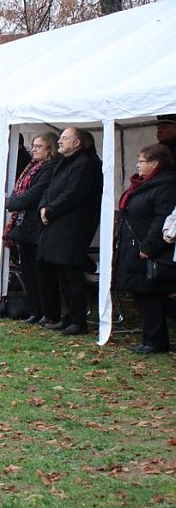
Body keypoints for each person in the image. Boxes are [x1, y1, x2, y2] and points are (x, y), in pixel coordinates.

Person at [37, 127, 103, 336]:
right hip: (57, 223)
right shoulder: (64, 162)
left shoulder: (84, 164)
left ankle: (78, 320)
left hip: (73, 225)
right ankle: (69, 316)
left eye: (65, 138)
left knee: (72, 273)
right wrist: (44, 208)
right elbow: (50, 189)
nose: (60, 142)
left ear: (77, 143)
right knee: (61, 272)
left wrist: (51, 210)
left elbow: (72, 194)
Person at [113, 144, 176, 353]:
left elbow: (162, 220)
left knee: (151, 295)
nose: (137, 165)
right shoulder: (143, 185)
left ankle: (155, 341)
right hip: (133, 247)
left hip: (149, 250)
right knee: (142, 295)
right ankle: (150, 338)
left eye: (142, 161)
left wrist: (149, 247)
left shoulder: (164, 186)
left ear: (155, 163)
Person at [4, 132, 60, 325]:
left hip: (38, 227)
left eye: (39, 146)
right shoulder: (31, 167)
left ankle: (48, 312)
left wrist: (12, 202)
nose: (34, 149)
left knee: (42, 273)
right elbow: (20, 192)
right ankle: (35, 310)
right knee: (28, 271)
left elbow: (34, 195)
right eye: (33, 146)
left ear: (50, 149)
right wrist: (14, 200)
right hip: (24, 226)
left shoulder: (50, 168)